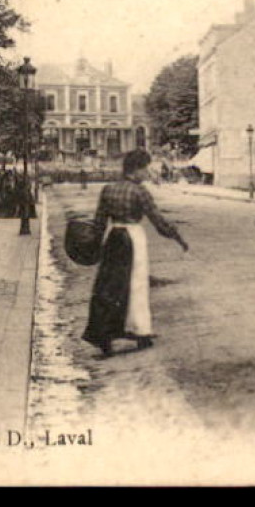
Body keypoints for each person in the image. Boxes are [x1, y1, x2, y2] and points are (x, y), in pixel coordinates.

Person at [82, 149, 189, 358]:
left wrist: (93, 245)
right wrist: (178, 238)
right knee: (136, 285)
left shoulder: (108, 189)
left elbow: (99, 222)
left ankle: (103, 335)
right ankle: (140, 332)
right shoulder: (140, 192)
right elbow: (158, 221)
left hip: (113, 237)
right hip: (133, 237)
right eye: (145, 169)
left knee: (108, 286)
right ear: (136, 170)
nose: (147, 174)